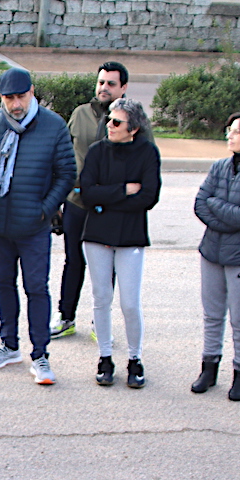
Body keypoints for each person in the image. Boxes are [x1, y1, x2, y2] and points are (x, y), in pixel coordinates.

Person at [0, 66, 76, 385]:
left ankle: (40, 355)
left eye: (21, 96)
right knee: (3, 283)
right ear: (1, 97)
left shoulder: (53, 126)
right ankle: (9, 345)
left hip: (34, 226)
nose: (16, 104)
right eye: (9, 98)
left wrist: (44, 210)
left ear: (32, 93)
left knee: (36, 288)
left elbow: (66, 173)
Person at [77, 96, 160, 388]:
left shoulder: (148, 153)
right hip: (97, 235)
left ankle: (135, 359)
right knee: (101, 298)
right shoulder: (98, 152)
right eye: (108, 120)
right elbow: (87, 192)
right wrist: (125, 190)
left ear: (133, 128)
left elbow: (149, 197)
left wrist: (106, 199)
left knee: (130, 302)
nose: (109, 125)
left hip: (131, 236)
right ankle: (105, 357)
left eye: (116, 122)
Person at [191, 109, 240, 401]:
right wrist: (223, 216)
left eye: (236, 131)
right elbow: (200, 204)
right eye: (230, 129)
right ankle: (209, 368)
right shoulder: (219, 167)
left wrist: (217, 208)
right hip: (212, 252)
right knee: (212, 315)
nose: (229, 135)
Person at [55, 60, 136, 339]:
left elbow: (142, 157)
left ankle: (99, 323)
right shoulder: (79, 114)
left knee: (105, 266)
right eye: (101, 82)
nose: (104, 88)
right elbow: (62, 155)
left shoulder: (131, 120)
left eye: (111, 84)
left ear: (123, 88)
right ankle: (65, 318)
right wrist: (57, 199)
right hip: (77, 202)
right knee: (73, 261)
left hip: (109, 207)